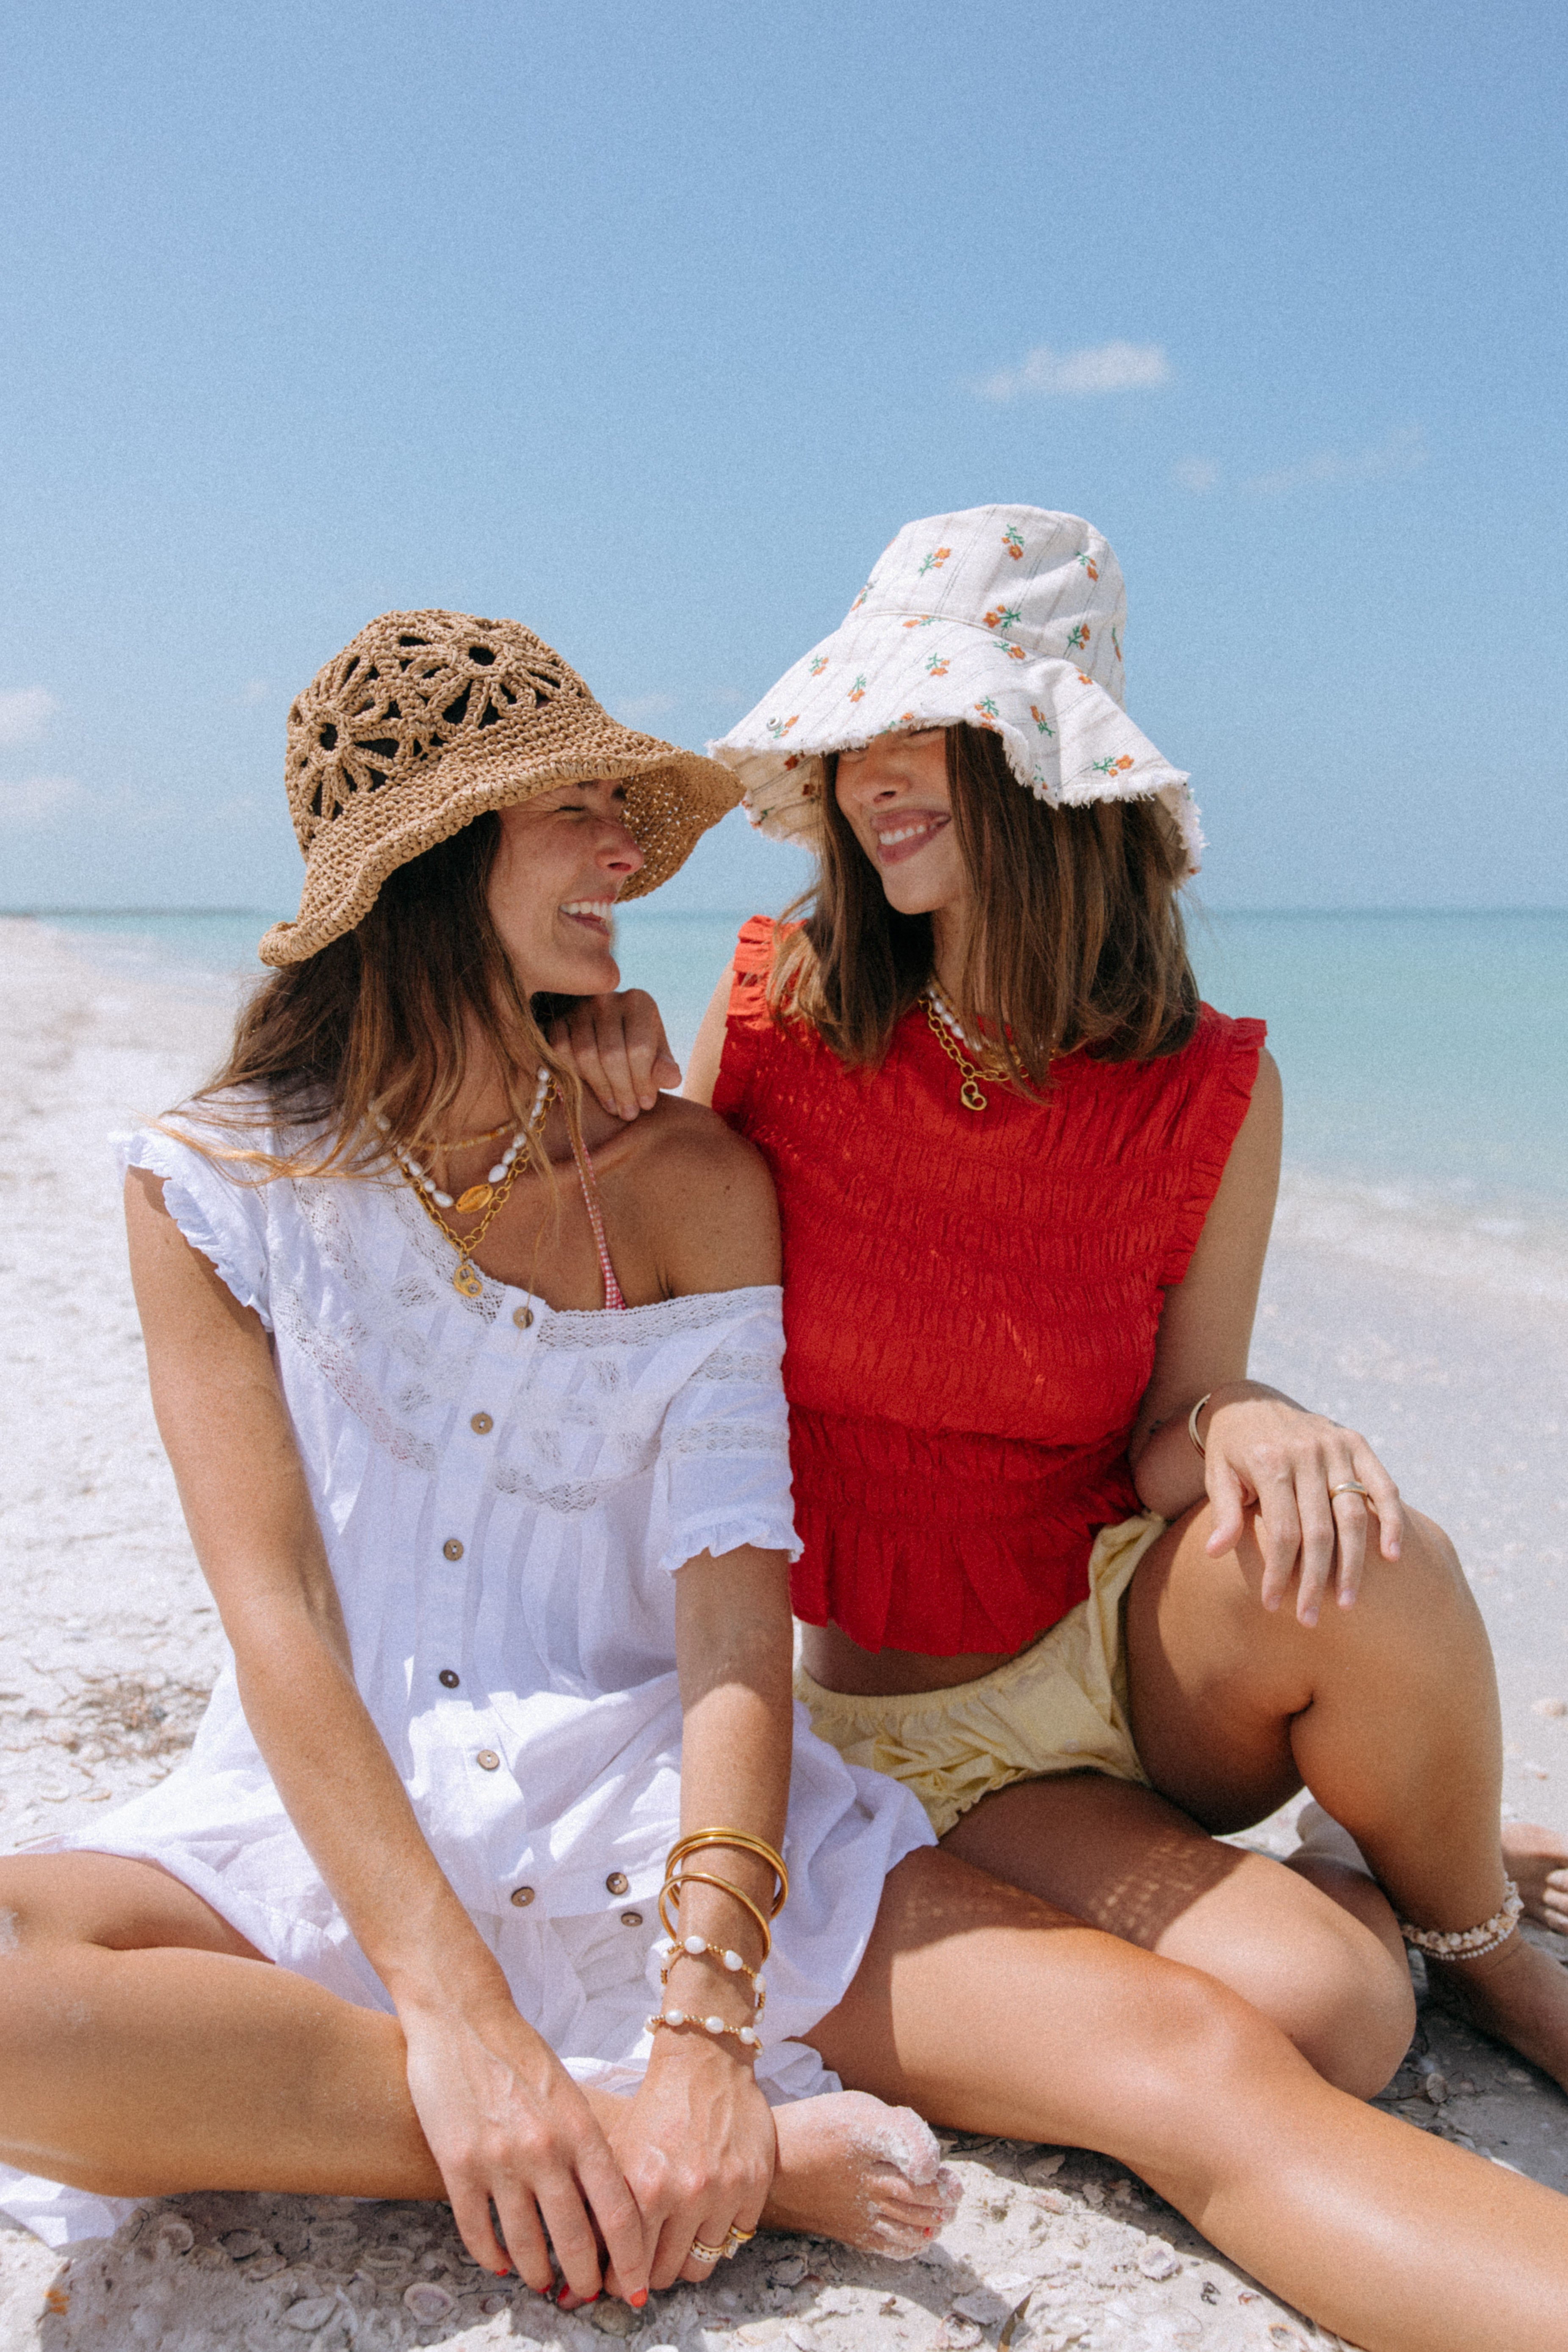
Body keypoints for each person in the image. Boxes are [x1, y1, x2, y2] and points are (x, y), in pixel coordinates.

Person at [6, 607, 1568, 2352]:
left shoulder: (679, 1181)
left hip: (668, 1821)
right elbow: (277, 1619)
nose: (628, 857)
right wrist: (467, 2030)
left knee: (1227, 2051)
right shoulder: (212, 1190)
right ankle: (676, 2154)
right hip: (338, 1835)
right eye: (573, 818)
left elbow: (736, 1629)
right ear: (436, 861)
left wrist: (696, 2031)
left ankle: (662, 2114)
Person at [557, 505, 1568, 2112]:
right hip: (874, 1720)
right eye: (853, 736)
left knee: (1376, 1545)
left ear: (1051, 768)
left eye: (926, 729)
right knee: (1334, 2022)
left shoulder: (1212, 1088)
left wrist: (1259, 1420)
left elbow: (1180, 1422)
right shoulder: (776, 1012)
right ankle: (1362, 1868)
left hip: (1116, 1653)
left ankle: (1483, 1940)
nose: (870, 774)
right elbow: (633, 1326)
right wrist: (600, 1093)